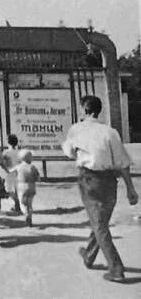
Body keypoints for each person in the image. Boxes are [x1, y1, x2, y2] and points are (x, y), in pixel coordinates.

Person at [62, 95, 138, 283]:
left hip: (89, 180)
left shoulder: (76, 129)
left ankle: (116, 268)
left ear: (85, 110)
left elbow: (69, 152)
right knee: (101, 221)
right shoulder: (110, 132)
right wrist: (130, 189)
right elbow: (122, 162)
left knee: (99, 224)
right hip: (110, 181)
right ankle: (89, 255)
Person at [11, 150, 40, 227]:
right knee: (30, 204)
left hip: (21, 186)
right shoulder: (33, 167)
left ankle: (26, 214)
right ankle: (29, 216)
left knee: (22, 204)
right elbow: (38, 178)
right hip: (31, 186)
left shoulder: (18, 167)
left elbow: (10, 172)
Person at [1, 134, 22, 213]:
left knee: (8, 189)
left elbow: (2, 163)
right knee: (17, 189)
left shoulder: (6, 152)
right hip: (18, 172)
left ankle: (16, 203)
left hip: (9, 172)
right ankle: (17, 204)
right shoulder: (19, 152)